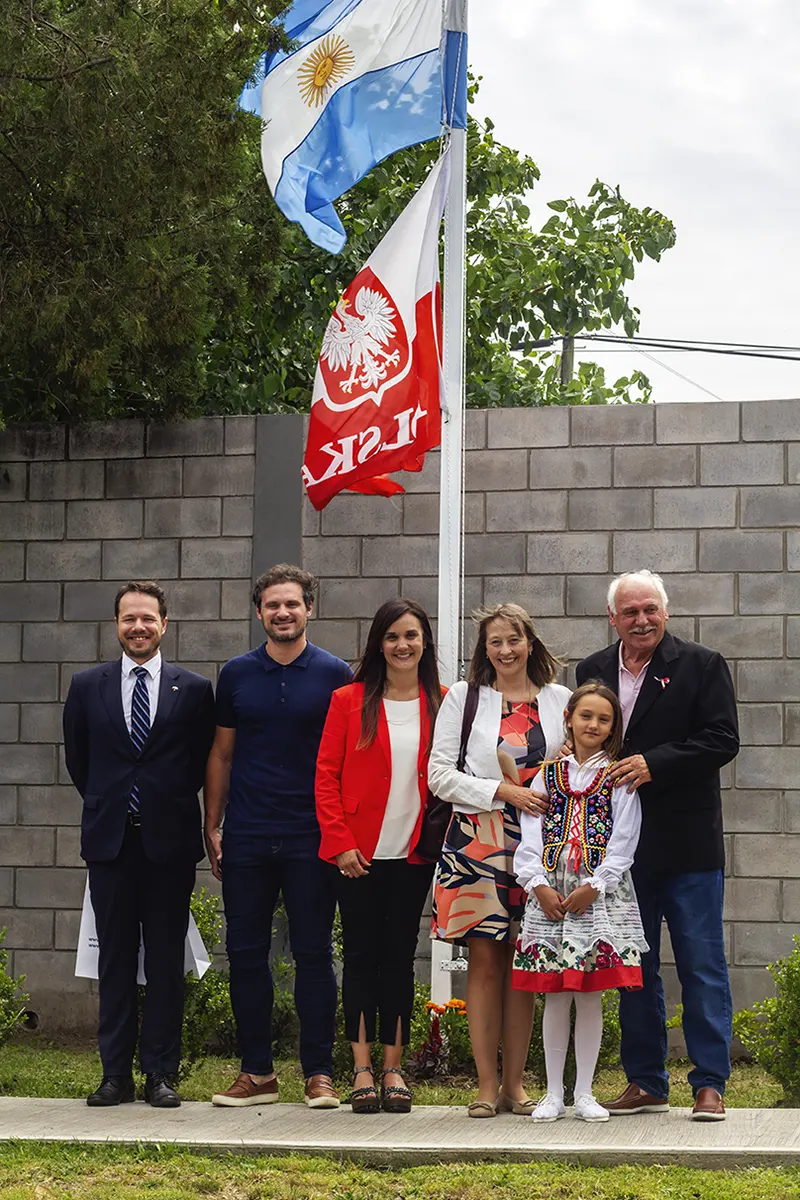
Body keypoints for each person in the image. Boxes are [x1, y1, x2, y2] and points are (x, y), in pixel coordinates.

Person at [576, 569, 739, 1122]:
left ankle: (709, 1083)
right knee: (634, 969)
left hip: (689, 845)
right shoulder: (592, 670)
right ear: (612, 618)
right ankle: (646, 1081)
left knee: (701, 965)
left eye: (650, 610)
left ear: (664, 613)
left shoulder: (701, 665)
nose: (641, 620)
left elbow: (722, 739)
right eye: (630, 612)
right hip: (620, 852)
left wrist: (654, 764)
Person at [63, 581, 215, 1108]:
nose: (138, 627)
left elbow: (198, 764)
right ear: (116, 625)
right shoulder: (87, 686)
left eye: (147, 618)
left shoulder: (193, 690)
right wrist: (117, 803)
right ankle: (115, 1076)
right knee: (116, 962)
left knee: (166, 962)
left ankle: (160, 1074)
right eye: (128, 619)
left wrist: (156, 802)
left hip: (168, 846)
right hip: (110, 845)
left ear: (164, 624)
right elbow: (80, 762)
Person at [205, 564, 352, 1110]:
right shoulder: (237, 674)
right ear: (260, 611)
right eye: (272, 605)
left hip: (312, 835)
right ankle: (257, 1074)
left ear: (309, 607)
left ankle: (318, 1073)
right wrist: (212, 824)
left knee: (313, 953)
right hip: (246, 833)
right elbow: (221, 753)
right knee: (246, 955)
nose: (283, 613)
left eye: (292, 604)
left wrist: (343, 832)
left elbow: (347, 759)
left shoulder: (337, 674)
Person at [428, 603, 571, 1117]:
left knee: (523, 961)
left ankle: (516, 1085)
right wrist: (503, 791)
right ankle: (486, 1086)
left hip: (542, 844)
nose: (505, 650)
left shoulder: (561, 699)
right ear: (483, 650)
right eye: (495, 642)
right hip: (477, 840)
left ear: (530, 643)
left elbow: (582, 766)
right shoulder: (464, 699)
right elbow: (439, 774)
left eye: (514, 639)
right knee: (485, 962)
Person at [316, 599, 443, 1114]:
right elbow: (325, 775)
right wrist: (341, 841)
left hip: (413, 856)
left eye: (411, 635)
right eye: (392, 636)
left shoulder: (445, 701)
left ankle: (394, 1069)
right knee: (361, 959)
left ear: (425, 642)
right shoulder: (348, 699)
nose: (402, 645)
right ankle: (361, 1068)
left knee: (399, 960)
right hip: (357, 856)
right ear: (379, 644)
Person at [513, 682, 648, 1123]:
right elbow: (530, 835)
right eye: (585, 715)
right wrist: (536, 884)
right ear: (569, 718)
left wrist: (598, 882)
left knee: (590, 994)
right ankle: (552, 1092)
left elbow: (625, 838)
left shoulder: (618, 777)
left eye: (603, 719)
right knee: (555, 996)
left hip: (597, 895)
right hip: (552, 892)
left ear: (613, 728)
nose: (593, 724)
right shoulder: (546, 775)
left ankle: (585, 1091)